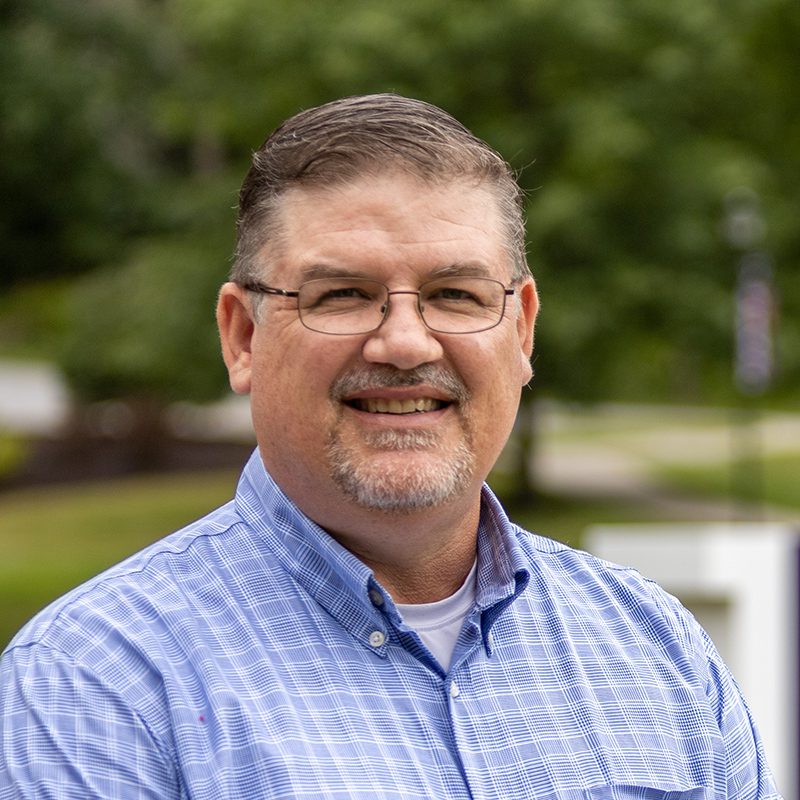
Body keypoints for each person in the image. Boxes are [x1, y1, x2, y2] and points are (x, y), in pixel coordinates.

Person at [0, 94, 782, 799]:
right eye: (342, 294)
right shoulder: (93, 687)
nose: (405, 343)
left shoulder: (656, 648)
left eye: (455, 294)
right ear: (242, 337)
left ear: (522, 328)